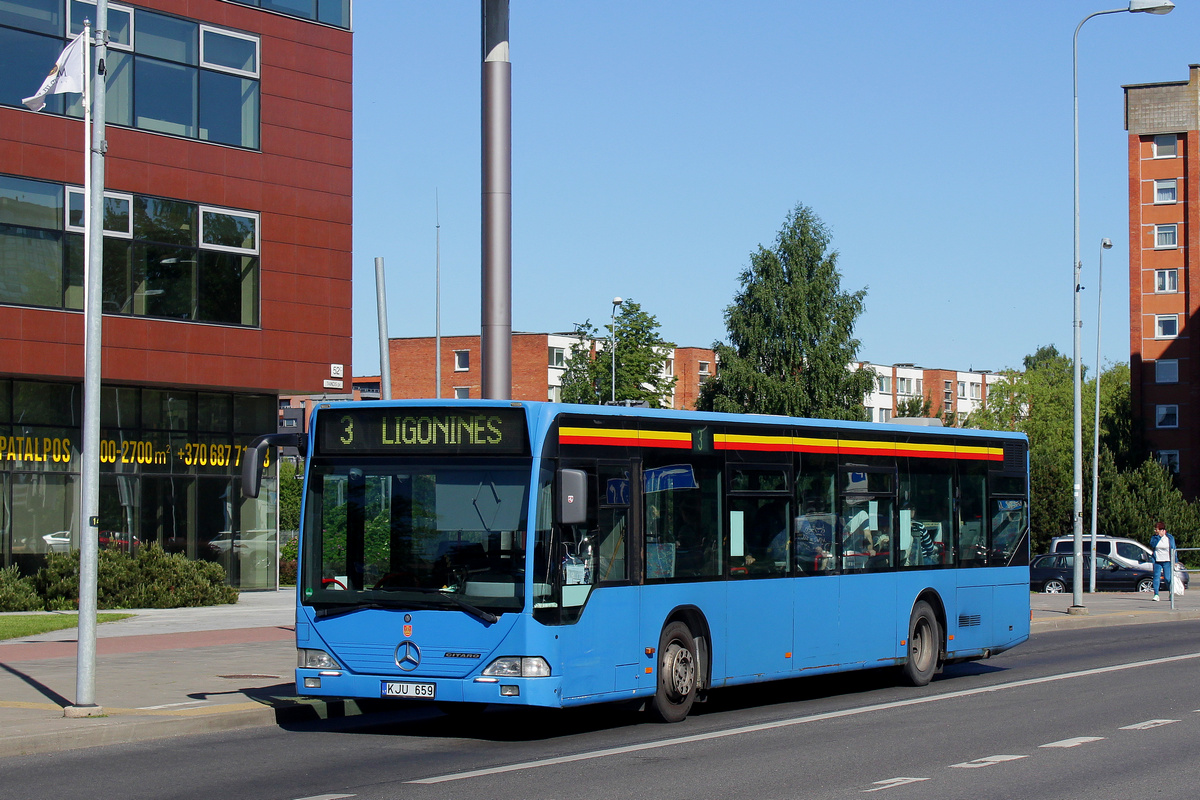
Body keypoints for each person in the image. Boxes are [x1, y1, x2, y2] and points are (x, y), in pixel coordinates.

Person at [1150, 521, 1176, 601]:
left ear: (1162, 530)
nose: (1155, 531)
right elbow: (1152, 545)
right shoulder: (1154, 538)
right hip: (1157, 560)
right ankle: (1156, 594)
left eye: (1156, 529)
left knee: (1167, 578)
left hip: (1167, 561)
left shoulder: (1169, 538)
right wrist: (1159, 537)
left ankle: (1171, 592)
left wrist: (1175, 560)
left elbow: (1173, 549)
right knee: (1156, 577)